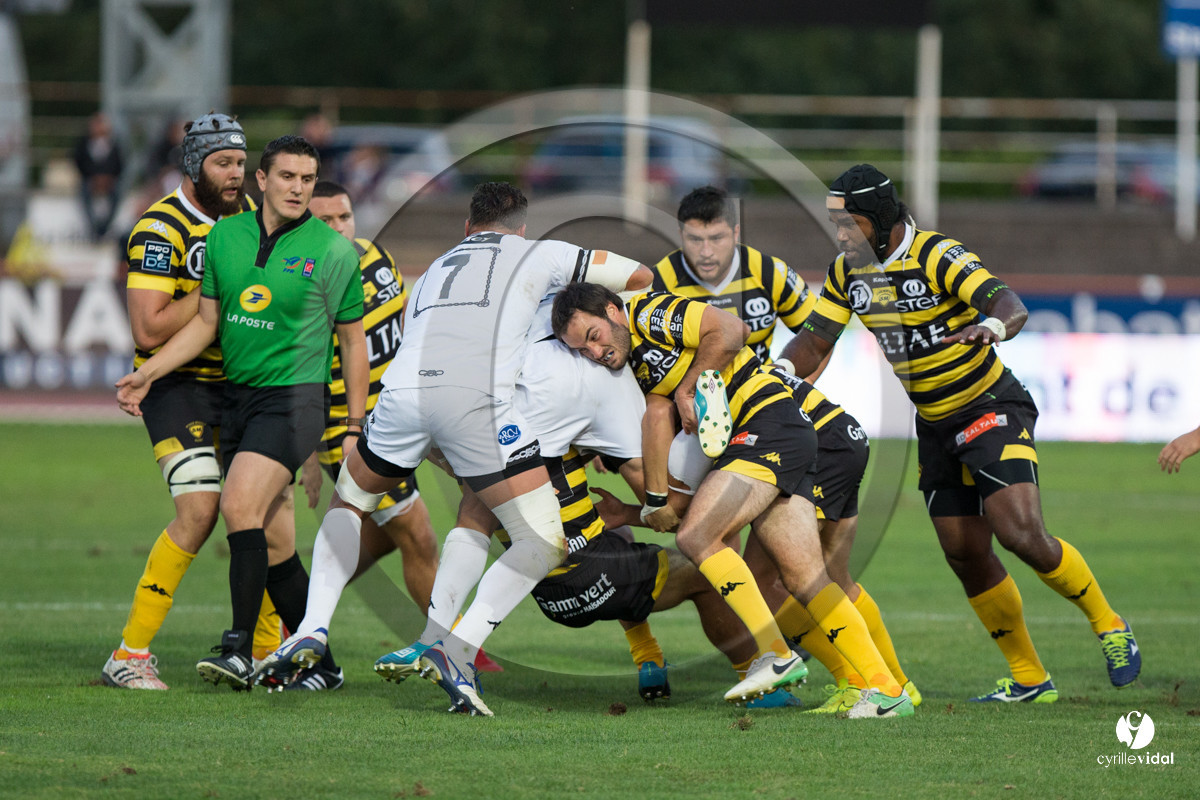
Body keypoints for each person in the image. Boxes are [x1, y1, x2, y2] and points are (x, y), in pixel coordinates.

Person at [255, 182, 652, 716]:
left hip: (400, 393)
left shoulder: (439, 263)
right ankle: (455, 649)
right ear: (521, 228)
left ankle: (312, 628)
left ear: (468, 228)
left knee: (351, 504)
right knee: (542, 541)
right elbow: (639, 277)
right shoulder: (540, 253)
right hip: (471, 399)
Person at [778, 164, 1141, 701]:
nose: (842, 236)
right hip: (936, 424)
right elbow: (814, 341)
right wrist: (777, 376)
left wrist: (989, 327)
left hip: (989, 405)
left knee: (1020, 534)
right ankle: (1030, 679)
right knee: (965, 553)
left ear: (879, 221)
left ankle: (1110, 625)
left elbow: (1008, 305)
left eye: (850, 224)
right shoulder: (846, 273)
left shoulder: (938, 255)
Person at [552, 284, 914, 717]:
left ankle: (776, 653)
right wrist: (643, 506)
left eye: (594, 335)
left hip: (767, 422)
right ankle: (885, 688)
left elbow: (730, 328)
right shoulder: (639, 373)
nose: (595, 352)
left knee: (699, 536)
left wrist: (686, 390)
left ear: (613, 311)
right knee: (803, 579)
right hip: (778, 435)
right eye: (583, 350)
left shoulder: (647, 312)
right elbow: (657, 423)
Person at [116, 135, 370, 692]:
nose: (299, 188)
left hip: (295, 400)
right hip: (238, 398)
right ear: (262, 180)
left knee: (234, 505)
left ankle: (239, 650)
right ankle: (323, 664)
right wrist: (149, 373)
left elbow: (354, 343)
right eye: (288, 177)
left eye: (308, 179)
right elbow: (206, 324)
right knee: (276, 544)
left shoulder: (332, 252)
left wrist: (354, 427)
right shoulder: (227, 236)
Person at [102, 112, 285, 690]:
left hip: (245, 383)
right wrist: (220, 287)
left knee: (270, 519)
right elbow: (148, 330)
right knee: (201, 511)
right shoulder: (160, 227)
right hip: (177, 386)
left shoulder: (255, 220)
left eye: (240, 163)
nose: (236, 175)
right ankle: (129, 656)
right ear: (193, 166)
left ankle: (265, 652)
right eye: (222, 164)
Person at [283, 180, 440, 691]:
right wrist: (308, 455)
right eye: (323, 221)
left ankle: (297, 616)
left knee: (374, 537)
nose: (336, 229)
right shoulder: (305, 285)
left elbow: (403, 331)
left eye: (343, 217)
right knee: (417, 533)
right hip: (347, 434)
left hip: (397, 419)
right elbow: (298, 371)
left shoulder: (376, 258)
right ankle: (452, 648)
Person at [653, 186, 815, 365]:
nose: (706, 252)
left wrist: (796, 381)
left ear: (736, 233)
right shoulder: (658, 283)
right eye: (695, 239)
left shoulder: (770, 272)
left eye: (716, 238)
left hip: (764, 390)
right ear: (681, 235)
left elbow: (820, 336)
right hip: (691, 392)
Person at [73, 111, 124, 240]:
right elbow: (78, 162)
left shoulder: (113, 144)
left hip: (109, 181)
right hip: (90, 179)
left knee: (117, 195)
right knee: (84, 195)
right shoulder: (84, 144)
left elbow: (119, 164)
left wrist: (107, 178)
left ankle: (104, 228)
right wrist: (94, 177)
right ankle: (93, 228)